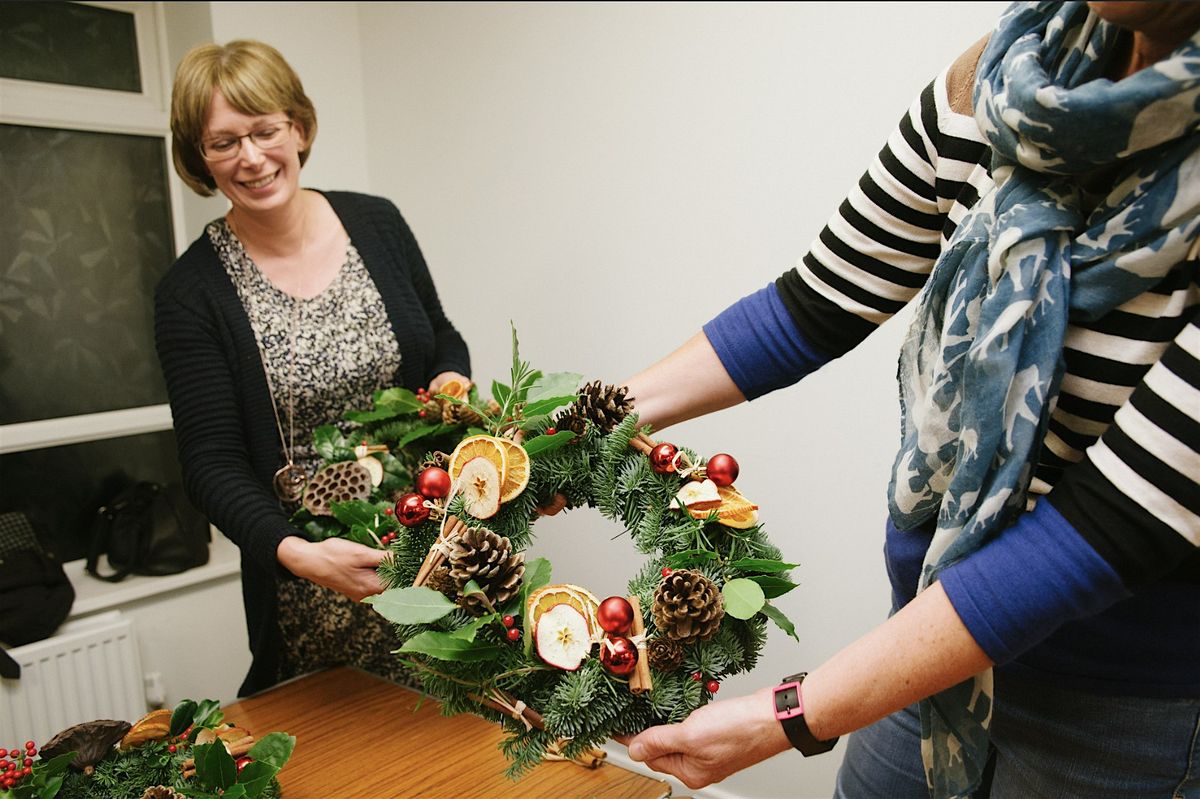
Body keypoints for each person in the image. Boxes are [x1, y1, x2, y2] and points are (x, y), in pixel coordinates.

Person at [618, 3, 1200, 797]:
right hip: (917, 664)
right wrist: (581, 425)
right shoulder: (1008, 77)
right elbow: (815, 303)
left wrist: (790, 714)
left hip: (1126, 713)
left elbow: (1104, 532)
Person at [154, 39, 470, 696]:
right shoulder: (191, 292)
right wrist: (300, 556)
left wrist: (450, 380)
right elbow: (210, 464)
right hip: (314, 582)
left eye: (264, 130)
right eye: (223, 142)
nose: (251, 157)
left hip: (440, 544)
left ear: (297, 128)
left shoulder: (377, 223)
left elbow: (441, 336)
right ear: (199, 157)